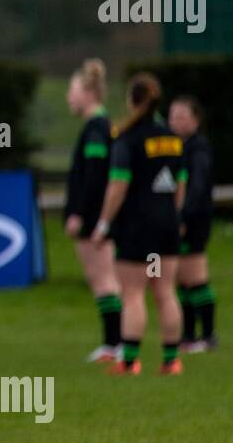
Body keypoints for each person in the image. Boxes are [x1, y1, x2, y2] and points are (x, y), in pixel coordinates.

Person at [90, 73, 186, 376]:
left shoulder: (128, 139)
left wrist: (103, 224)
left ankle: (129, 362)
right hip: (166, 225)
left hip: (137, 226)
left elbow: (118, 186)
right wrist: (174, 215)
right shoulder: (172, 139)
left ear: (132, 101)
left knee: (132, 294)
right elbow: (180, 184)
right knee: (165, 292)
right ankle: (172, 361)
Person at [63, 59, 123, 363]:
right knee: (100, 278)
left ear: (88, 93)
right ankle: (115, 343)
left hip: (93, 218)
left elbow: (95, 177)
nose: (69, 97)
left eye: (73, 90)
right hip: (95, 217)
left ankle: (115, 344)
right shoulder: (96, 127)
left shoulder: (97, 129)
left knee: (104, 279)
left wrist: (81, 214)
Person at [169, 95, 218, 354]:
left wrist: (184, 217)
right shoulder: (175, 147)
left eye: (182, 116)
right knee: (181, 279)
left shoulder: (198, 149)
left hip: (194, 220)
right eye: (172, 116)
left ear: (196, 120)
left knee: (196, 277)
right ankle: (188, 335)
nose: (175, 121)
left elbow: (196, 188)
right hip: (181, 219)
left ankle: (208, 335)